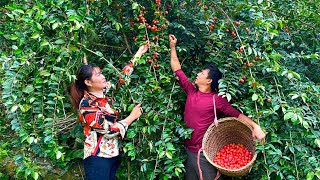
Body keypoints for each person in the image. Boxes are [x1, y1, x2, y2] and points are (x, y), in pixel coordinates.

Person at [168, 34, 266, 180]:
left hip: (205, 154)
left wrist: (255, 126)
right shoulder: (191, 90)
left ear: (208, 80)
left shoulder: (216, 100)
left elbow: (236, 115)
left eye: (201, 73)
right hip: (189, 150)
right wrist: (173, 47)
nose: (197, 74)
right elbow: (177, 68)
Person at [70, 44, 149, 180]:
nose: (103, 76)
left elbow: (122, 78)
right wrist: (132, 117)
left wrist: (139, 53)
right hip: (97, 158)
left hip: (112, 155)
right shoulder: (87, 106)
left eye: (101, 73)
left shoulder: (106, 94)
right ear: (88, 82)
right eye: (98, 74)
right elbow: (109, 131)